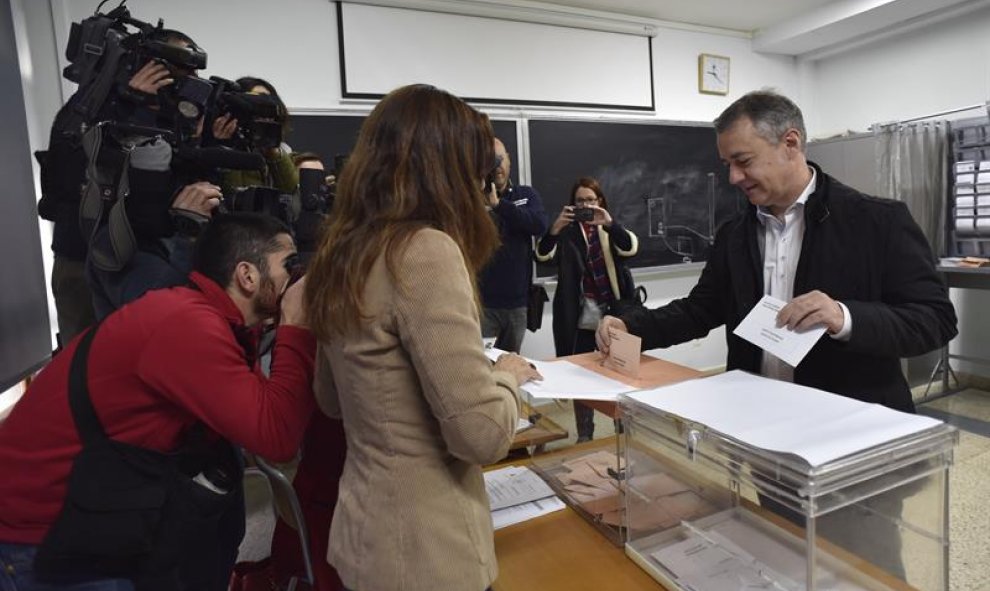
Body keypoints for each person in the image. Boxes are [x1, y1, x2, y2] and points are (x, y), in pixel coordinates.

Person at [596, 90, 958, 577]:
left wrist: (845, 317)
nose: (733, 178)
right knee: (787, 557)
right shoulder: (736, 232)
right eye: (727, 164)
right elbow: (702, 308)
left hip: (851, 447)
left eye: (742, 161)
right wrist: (630, 322)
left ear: (790, 143)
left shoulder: (877, 221)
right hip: (768, 445)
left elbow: (935, 319)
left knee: (866, 569)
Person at [304, 84, 541, 591]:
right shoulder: (424, 251)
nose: (485, 191)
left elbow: (329, 399)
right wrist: (506, 378)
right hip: (429, 552)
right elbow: (480, 436)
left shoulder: (342, 251)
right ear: (448, 170)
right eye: (479, 174)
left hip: (363, 536)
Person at [0, 213, 316, 590]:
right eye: (289, 266)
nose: (296, 280)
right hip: (45, 531)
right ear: (247, 275)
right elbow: (276, 435)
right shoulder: (188, 325)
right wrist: (296, 326)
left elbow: (255, 415)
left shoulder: (207, 317)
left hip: (95, 506)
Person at [536, 177, 638, 442]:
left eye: (590, 200)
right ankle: (585, 435)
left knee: (620, 373)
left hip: (614, 314)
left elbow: (630, 249)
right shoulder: (567, 232)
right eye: (580, 201)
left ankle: (623, 430)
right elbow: (543, 257)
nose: (585, 205)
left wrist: (611, 224)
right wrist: (555, 229)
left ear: (600, 201)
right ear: (573, 204)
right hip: (578, 316)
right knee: (578, 376)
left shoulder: (609, 228)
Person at [477, 137, 548, 353]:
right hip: (482, 304)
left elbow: (539, 224)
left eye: (500, 159)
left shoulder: (525, 195)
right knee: (483, 365)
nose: (497, 166)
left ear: (509, 161)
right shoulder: (471, 199)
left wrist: (499, 206)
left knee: (510, 364)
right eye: (491, 160)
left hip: (517, 304)